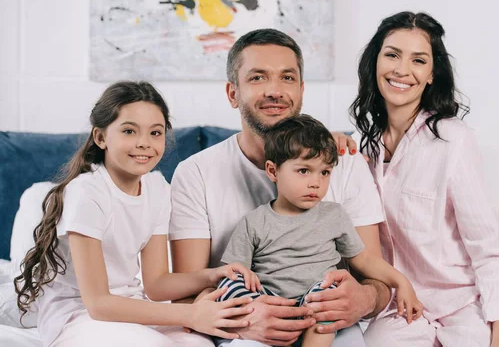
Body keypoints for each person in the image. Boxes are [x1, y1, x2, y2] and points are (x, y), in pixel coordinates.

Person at [346, 11, 499, 347]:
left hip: (461, 300)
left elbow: (487, 246)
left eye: (418, 60)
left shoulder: (453, 138)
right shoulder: (363, 142)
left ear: (432, 73)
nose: (402, 70)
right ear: (374, 62)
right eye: (391, 55)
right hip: (403, 302)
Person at [169, 29, 391, 347]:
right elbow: (186, 297)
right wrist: (244, 319)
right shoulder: (195, 174)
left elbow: (376, 280)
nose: (275, 91)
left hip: (329, 327)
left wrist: (365, 299)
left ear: (301, 90)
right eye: (258, 78)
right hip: (245, 330)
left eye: (287, 78)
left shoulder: (345, 161)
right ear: (233, 93)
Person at [14, 81, 255, 347]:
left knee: (198, 343)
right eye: (129, 131)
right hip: (79, 315)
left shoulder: (157, 188)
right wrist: (190, 313)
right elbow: (98, 304)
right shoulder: (87, 192)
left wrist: (211, 275)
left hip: (132, 306)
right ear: (100, 137)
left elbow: (157, 284)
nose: (144, 143)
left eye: (155, 133)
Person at [216, 114, 423, 347]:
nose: (316, 182)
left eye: (324, 172)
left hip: (319, 305)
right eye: (304, 171)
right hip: (272, 308)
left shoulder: (333, 215)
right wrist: (246, 277)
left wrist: (401, 282)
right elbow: (231, 273)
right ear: (273, 171)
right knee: (229, 287)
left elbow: (364, 259)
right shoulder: (254, 222)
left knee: (328, 295)